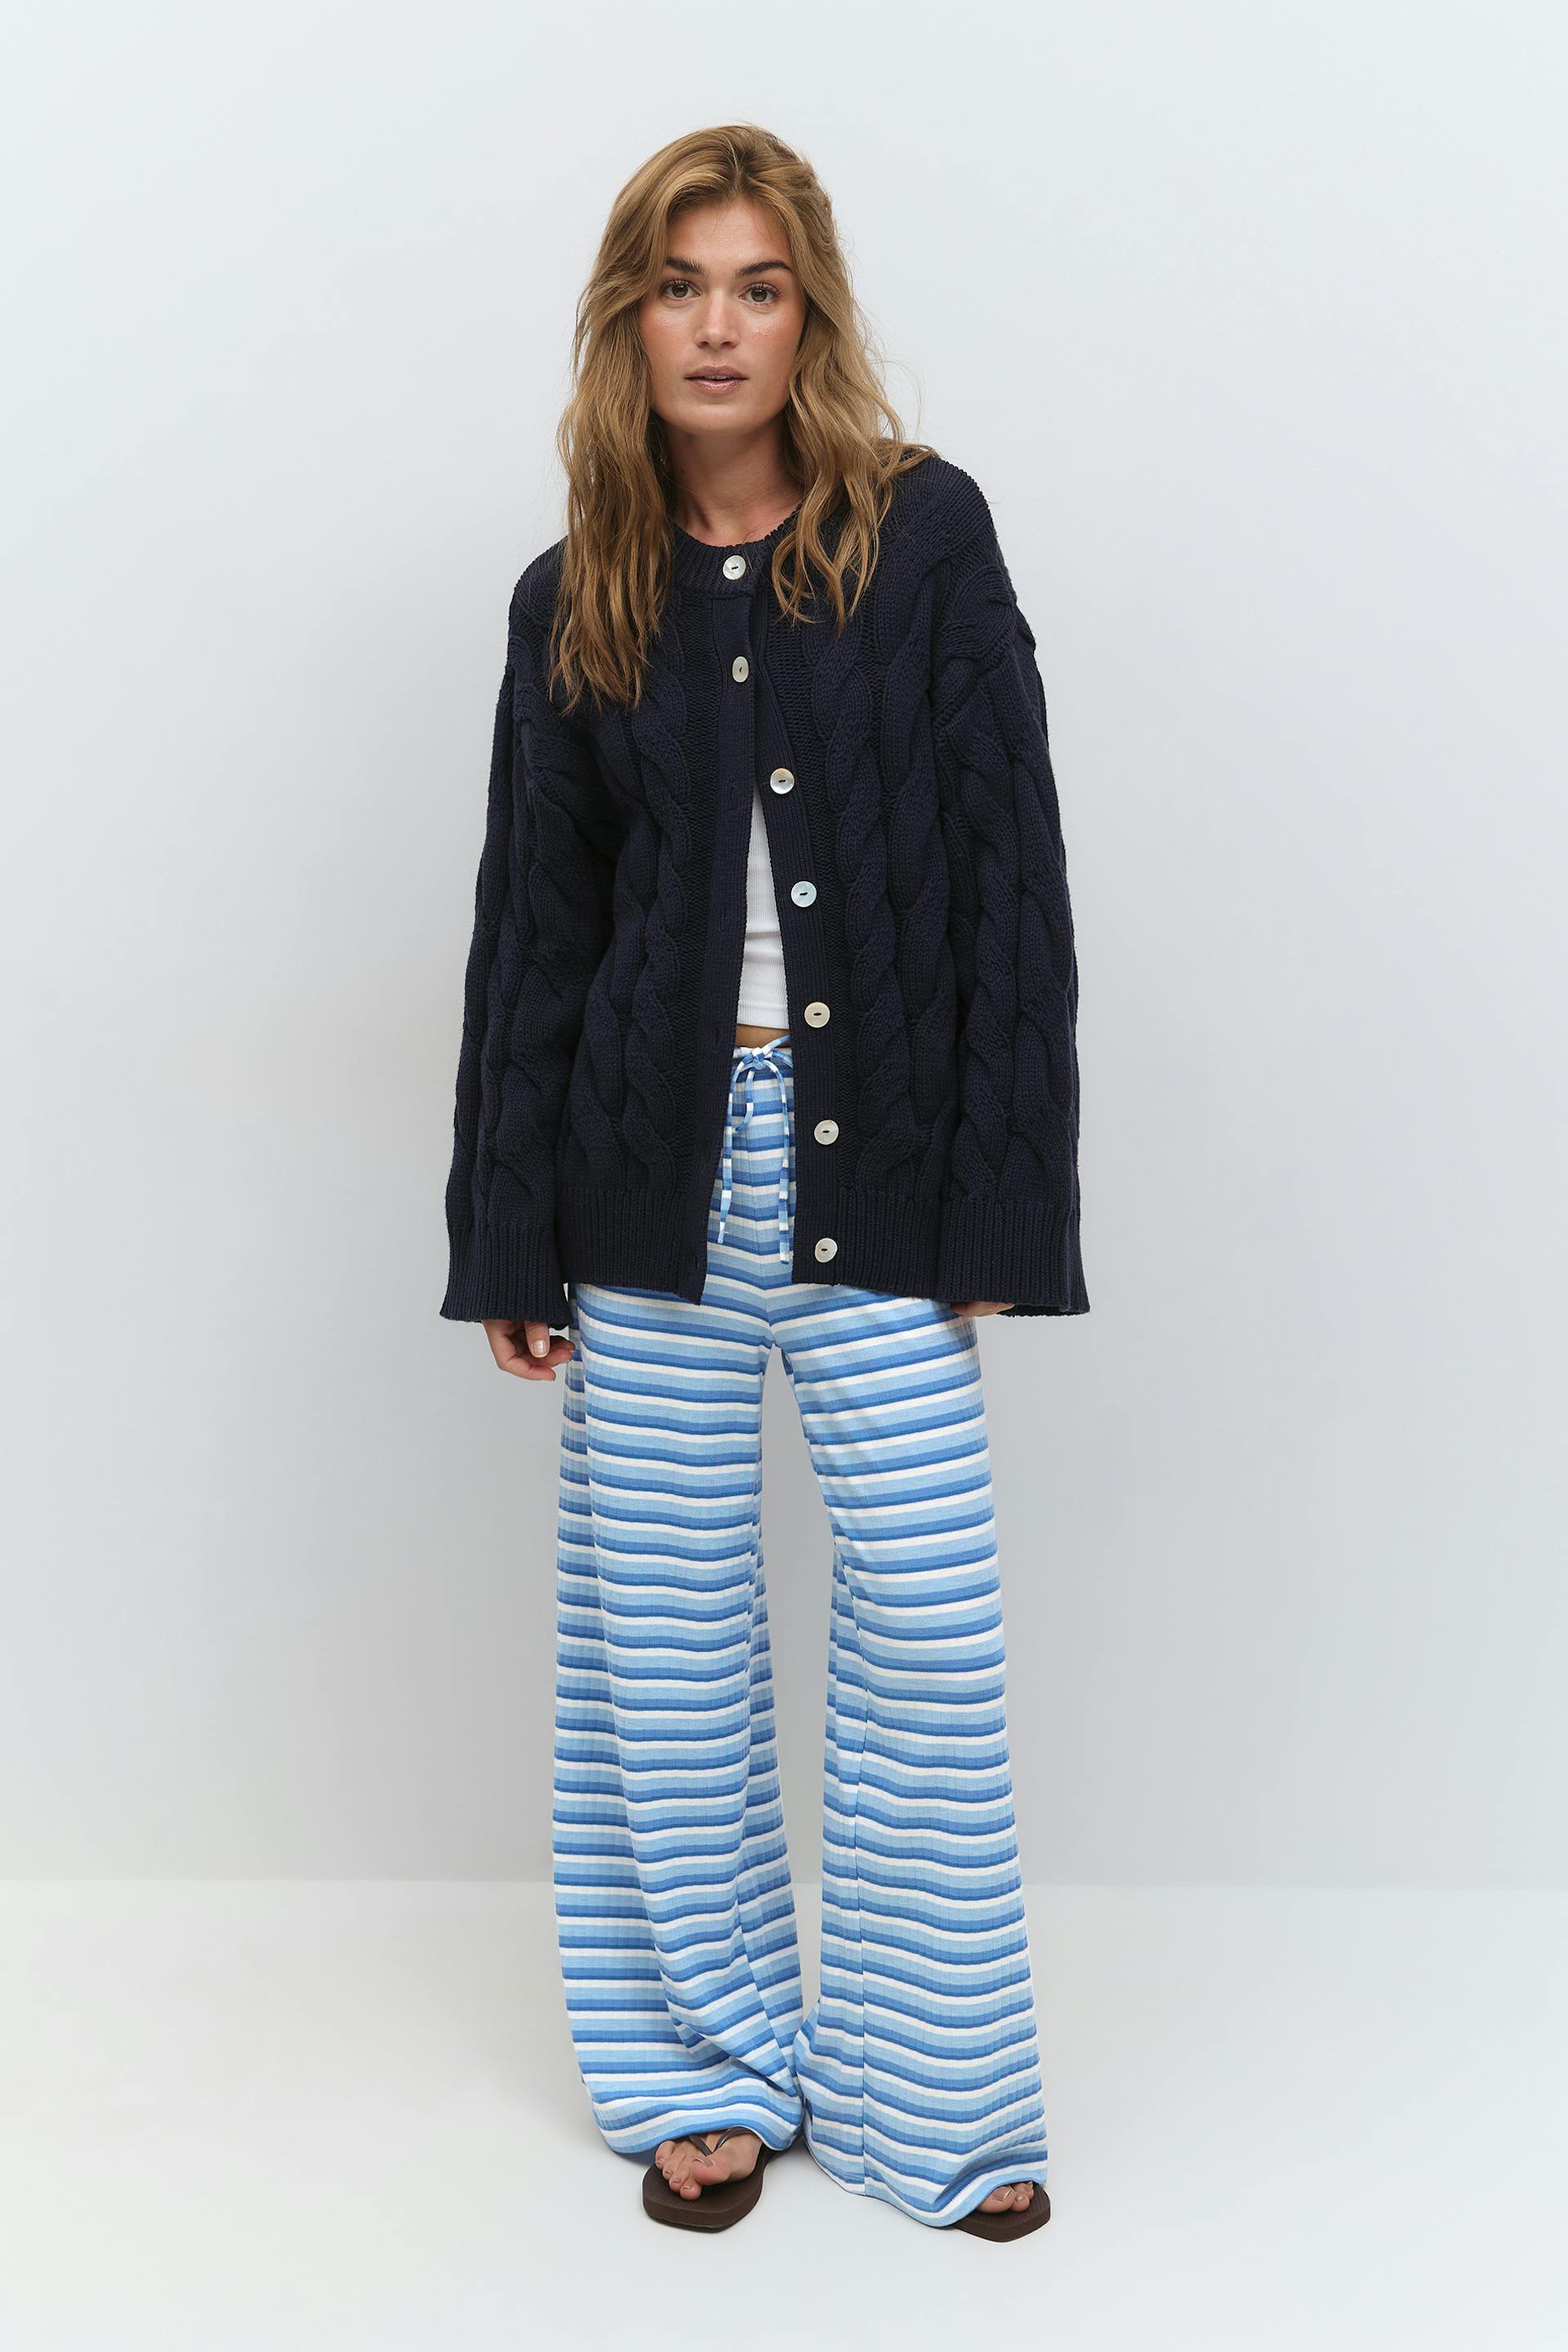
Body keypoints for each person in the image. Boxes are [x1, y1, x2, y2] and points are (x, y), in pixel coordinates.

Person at [439, 123, 1087, 2242]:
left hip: (873, 1169)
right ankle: (702, 2073)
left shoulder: (923, 537)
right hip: (646, 1181)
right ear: (628, 322)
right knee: (663, 1658)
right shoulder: (577, 594)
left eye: (758, 286)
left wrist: (1000, 1205)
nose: (717, 326)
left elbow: (1010, 877)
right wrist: (511, 1230)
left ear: (809, 316)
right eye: (679, 286)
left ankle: (936, 2104)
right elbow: (538, 934)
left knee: (929, 1632)